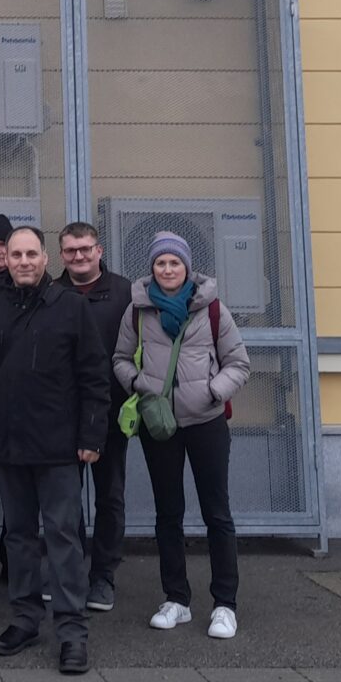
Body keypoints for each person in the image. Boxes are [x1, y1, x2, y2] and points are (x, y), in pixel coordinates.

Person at [0, 226, 107, 676]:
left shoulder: (71, 307)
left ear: (45, 258)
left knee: (62, 537)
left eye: (31, 254)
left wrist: (91, 437)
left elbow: (93, 377)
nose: (22, 261)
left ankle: (72, 631)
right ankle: (24, 619)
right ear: (5, 258)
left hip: (59, 447)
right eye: (15, 254)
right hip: (6, 443)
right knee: (18, 538)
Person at [113, 231, 252, 641]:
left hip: (206, 423)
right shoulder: (138, 311)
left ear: (187, 268)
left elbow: (238, 364)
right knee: (168, 514)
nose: (168, 269)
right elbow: (120, 358)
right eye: (161, 263)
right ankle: (177, 599)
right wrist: (139, 384)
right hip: (160, 425)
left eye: (175, 263)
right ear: (152, 268)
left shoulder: (212, 310)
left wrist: (213, 392)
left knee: (217, 514)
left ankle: (224, 604)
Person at [57, 222, 132, 614]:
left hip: (112, 413)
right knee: (64, 500)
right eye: (71, 251)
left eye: (85, 249)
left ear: (99, 250)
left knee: (110, 496)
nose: (79, 256)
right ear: (61, 254)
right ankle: (67, 573)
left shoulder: (124, 293)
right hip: (63, 415)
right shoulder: (52, 293)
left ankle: (103, 576)